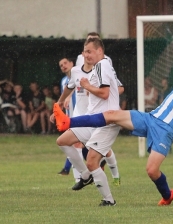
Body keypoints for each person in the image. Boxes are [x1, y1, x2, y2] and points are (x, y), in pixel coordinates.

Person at [53, 58, 173, 206]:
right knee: (111, 114)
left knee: (151, 170)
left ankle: (167, 195)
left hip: (165, 131)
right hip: (150, 118)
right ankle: (68, 121)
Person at [52, 38, 123, 206]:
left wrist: (87, 86)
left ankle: (109, 200)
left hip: (106, 121)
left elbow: (105, 94)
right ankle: (86, 175)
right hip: (92, 120)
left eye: (90, 51)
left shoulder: (103, 65)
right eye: (85, 52)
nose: (86, 55)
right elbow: (70, 86)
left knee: (92, 160)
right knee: (62, 141)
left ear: (100, 51)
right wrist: (60, 103)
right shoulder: (88, 71)